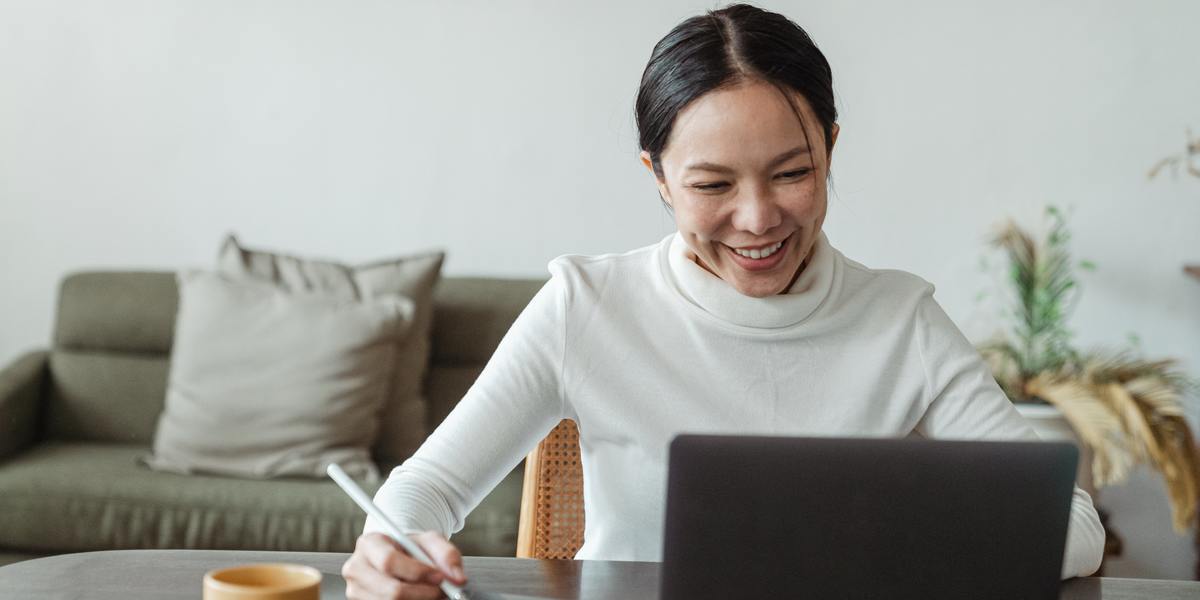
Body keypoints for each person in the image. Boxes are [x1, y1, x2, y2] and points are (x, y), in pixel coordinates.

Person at [341, 4, 1105, 598]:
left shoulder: (901, 321)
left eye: (792, 172)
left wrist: (904, 541)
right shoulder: (587, 305)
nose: (758, 217)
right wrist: (390, 550)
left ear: (830, 149)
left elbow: (1071, 527)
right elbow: (427, 487)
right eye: (712, 185)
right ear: (659, 178)